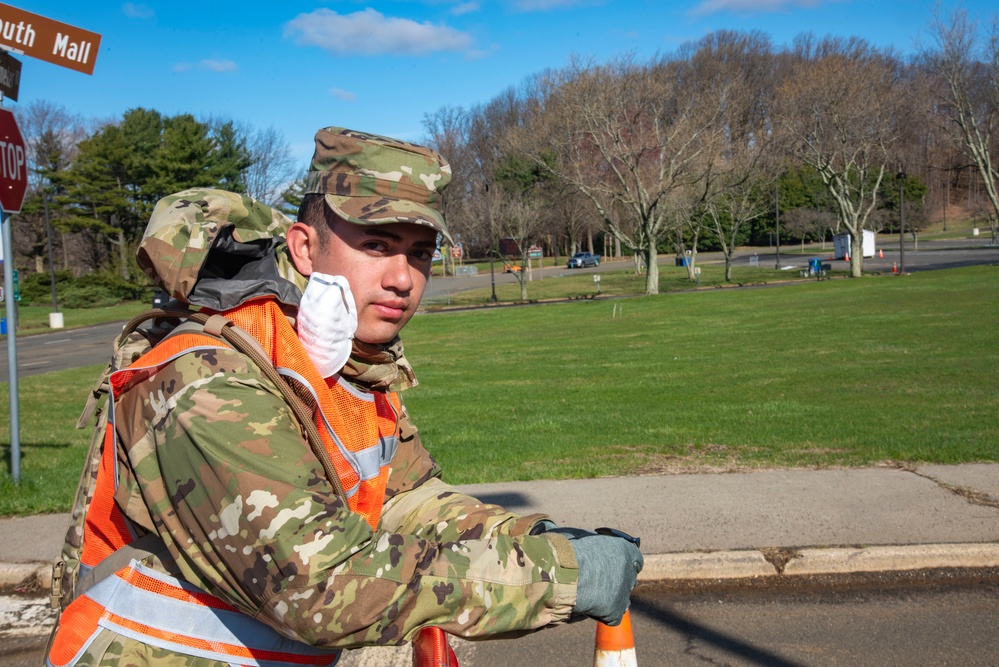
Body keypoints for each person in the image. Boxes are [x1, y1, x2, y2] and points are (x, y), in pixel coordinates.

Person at [46, 126, 643, 666]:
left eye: (420, 252)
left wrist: (531, 541)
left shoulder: (347, 368)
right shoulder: (208, 381)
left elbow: (406, 501)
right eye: (378, 246)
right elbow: (318, 584)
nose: (403, 277)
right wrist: (561, 577)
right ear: (304, 248)